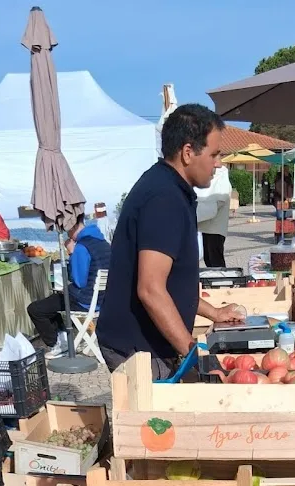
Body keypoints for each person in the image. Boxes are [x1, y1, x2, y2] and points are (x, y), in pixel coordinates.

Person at [96, 104, 242, 378]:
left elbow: (172, 281)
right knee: (157, 421)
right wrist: (194, 357)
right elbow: (151, 289)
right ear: (188, 153)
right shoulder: (164, 199)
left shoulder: (169, 186)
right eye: (214, 154)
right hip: (139, 347)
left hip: (148, 342)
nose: (219, 163)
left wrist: (214, 312)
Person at [27, 216, 111, 357]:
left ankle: (57, 344)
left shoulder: (82, 247)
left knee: (36, 309)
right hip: (103, 300)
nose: (67, 234)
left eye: (67, 231)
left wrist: (71, 252)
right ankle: (64, 339)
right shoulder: (103, 242)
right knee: (52, 302)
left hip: (85, 301)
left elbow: (78, 281)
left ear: (71, 227)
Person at [197, 164, 231, 268]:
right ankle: (215, 280)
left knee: (215, 260)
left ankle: (220, 281)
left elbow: (218, 201)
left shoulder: (221, 180)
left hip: (216, 229)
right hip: (208, 227)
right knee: (209, 259)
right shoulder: (216, 180)